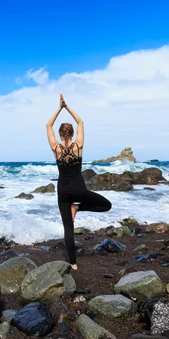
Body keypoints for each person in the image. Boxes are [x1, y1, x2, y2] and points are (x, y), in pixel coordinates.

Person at [46, 94, 112, 270]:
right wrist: (67, 107)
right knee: (106, 205)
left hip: (63, 192)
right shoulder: (78, 145)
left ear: (60, 134)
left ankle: (73, 264)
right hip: (79, 190)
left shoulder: (56, 148)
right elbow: (81, 121)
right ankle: (78, 207)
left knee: (68, 228)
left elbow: (48, 125)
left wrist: (59, 108)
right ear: (73, 133)